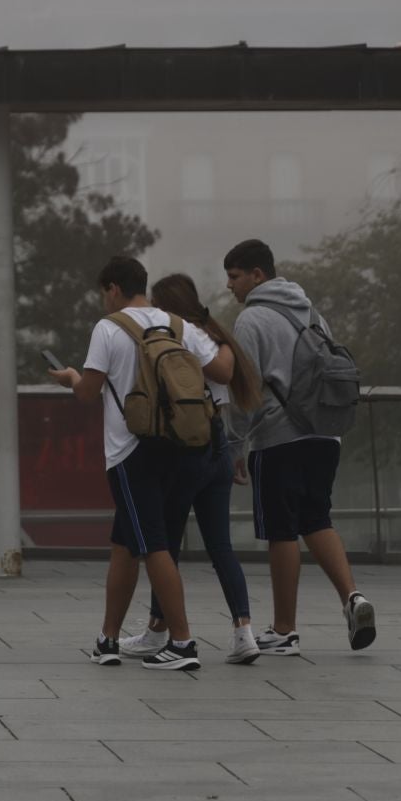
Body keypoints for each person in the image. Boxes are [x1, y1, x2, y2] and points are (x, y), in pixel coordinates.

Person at [49, 255, 234, 671]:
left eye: (103, 292)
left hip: (131, 454)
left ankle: (183, 643)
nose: (103, 300)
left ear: (113, 288)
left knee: (153, 546)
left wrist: (71, 378)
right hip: (180, 447)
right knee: (124, 545)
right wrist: (226, 340)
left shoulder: (108, 328)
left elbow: (88, 392)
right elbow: (221, 372)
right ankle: (107, 639)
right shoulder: (177, 324)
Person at [225, 238, 376, 654]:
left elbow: (245, 390)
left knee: (281, 531)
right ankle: (353, 598)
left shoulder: (251, 320)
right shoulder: (310, 310)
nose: (230, 287)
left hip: (279, 438)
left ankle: (284, 629)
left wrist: (234, 443)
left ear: (258, 274)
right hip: (326, 434)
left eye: (235, 277)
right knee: (317, 519)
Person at [116, 273, 266, 665]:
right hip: (218, 450)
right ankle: (243, 631)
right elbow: (227, 383)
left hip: (185, 453)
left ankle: (160, 631)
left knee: (163, 545)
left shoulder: (178, 338)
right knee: (221, 546)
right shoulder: (214, 338)